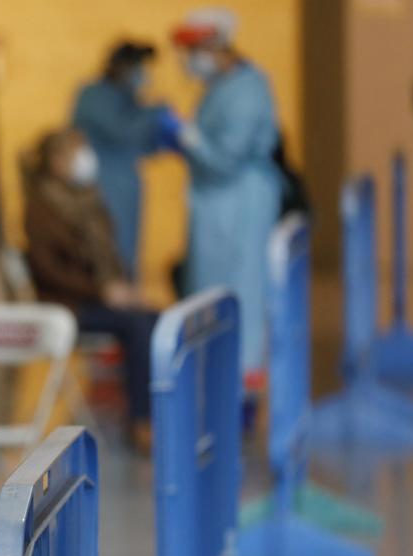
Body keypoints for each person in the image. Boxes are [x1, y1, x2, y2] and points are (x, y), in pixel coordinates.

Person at [163, 8, 281, 377]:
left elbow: (227, 158)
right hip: (218, 205)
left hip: (239, 204)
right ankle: (219, 369)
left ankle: (243, 374)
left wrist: (187, 136)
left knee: (240, 288)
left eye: (194, 50)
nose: (189, 62)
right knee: (212, 289)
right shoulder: (222, 87)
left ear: (216, 46)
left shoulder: (248, 89)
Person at [23, 128, 157, 448]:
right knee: (138, 326)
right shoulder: (42, 206)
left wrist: (121, 289)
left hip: (97, 297)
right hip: (66, 305)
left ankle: (159, 411)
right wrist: (103, 293)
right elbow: (47, 270)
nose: (86, 159)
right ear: (55, 161)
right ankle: (141, 421)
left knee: (158, 319)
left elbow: (108, 254)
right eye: (76, 151)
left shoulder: (90, 200)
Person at [71, 41, 168, 277]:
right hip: (103, 186)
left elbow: (143, 145)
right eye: (138, 68)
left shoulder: (128, 98)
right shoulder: (94, 94)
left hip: (124, 186)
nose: (142, 76)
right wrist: (156, 112)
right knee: (107, 250)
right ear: (123, 67)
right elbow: (121, 129)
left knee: (127, 254)